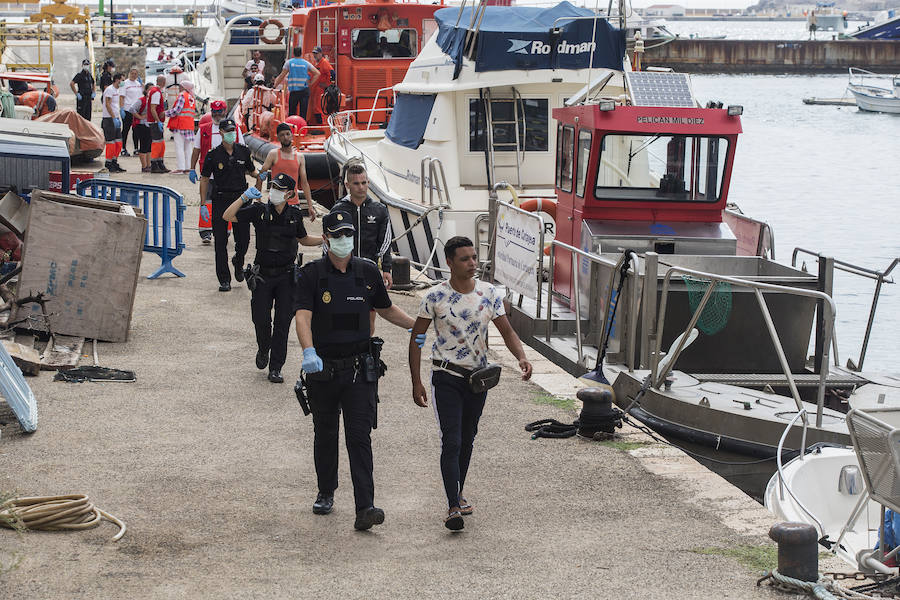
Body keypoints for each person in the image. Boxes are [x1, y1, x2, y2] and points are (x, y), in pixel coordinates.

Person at [294, 210, 423, 530]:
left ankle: (365, 506)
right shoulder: (311, 274)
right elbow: (303, 317)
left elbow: (386, 308)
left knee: (359, 437)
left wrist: (419, 327)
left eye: (347, 234)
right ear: (325, 239)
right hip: (322, 369)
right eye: (336, 235)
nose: (343, 240)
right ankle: (326, 491)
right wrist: (308, 351)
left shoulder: (367, 272)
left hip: (358, 370)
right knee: (325, 433)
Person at [409, 235, 532, 531]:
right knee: (451, 440)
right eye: (465, 259)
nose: (472, 263)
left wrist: (521, 357)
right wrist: (416, 381)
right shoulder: (434, 297)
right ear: (449, 263)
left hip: (477, 380)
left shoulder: (489, 293)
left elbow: (506, 330)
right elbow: (418, 338)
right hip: (446, 377)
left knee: (467, 438)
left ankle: (459, 492)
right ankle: (452, 505)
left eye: (474, 257)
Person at [223, 173, 323, 383]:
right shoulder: (260, 210)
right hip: (263, 277)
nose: (274, 191)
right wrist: (244, 197)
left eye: (279, 188)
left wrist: (324, 241)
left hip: (287, 277)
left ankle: (276, 367)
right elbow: (228, 216)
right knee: (261, 319)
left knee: (282, 323)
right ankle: (263, 348)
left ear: (289, 194)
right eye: (273, 187)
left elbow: (303, 239)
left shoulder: (295, 215)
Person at [199, 118, 260, 291]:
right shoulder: (213, 155)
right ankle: (224, 279)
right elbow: (204, 179)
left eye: (233, 130)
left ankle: (238, 261)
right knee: (220, 241)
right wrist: (203, 204)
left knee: (244, 240)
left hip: (241, 199)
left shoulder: (243, 151)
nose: (231, 134)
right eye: (228, 131)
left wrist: (259, 175)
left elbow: (251, 169)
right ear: (221, 133)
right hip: (221, 199)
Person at [190, 100, 246, 245]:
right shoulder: (203, 129)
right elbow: (196, 150)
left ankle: (225, 229)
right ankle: (205, 231)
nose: (216, 115)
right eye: (214, 112)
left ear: (225, 111)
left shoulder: (235, 129)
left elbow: (243, 151)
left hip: (229, 175)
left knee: (227, 203)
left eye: (219, 112)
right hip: (209, 174)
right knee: (206, 201)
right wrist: (192, 168)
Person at [329, 163, 392, 289]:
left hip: (369, 268)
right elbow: (329, 241)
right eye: (356, 184)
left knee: (370, 307)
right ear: (347, 185)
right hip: (343, 269)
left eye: (364, 183)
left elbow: (385, 242)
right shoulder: (338, 209)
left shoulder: (380, 210)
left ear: (368, 182)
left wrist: (386, 269)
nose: (361, 187)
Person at [257, 122, 317, 219]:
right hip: (275, 202)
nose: (285, 137)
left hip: (293, 203)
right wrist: (258, 200)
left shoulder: (300, 157)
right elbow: (261, 176)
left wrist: (310, 206)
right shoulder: (273, 154)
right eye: (282, 135)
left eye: (287, 134)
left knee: (294, 233)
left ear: (292, 136)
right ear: (278, 138)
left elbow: (305, 183)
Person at [274, 47, 320, 120]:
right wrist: (310, 83)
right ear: (301, 53)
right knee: (303, 112)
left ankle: (292, 128)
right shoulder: (306, 63)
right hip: (305, 90)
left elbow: (281, 76)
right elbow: (317, 73)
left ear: (293, 53)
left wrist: (274, 86)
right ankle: (302, 128)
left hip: (294, 91)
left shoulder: (289, 63)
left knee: (292, 112)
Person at [165, 80, 197, 174]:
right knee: (188, 148)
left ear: (184, 87)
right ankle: (188, 168)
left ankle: (180, 168)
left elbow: (176, 110)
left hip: (180, 125)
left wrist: (165, 113)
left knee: (179, 147)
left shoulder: (182, 95)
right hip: (189, 125)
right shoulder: (192, 97)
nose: (179, 88)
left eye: (180, 86)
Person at [101, 72, 126, 173]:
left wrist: (119, 113)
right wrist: (113, 117)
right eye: (122, 80)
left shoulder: (117, 90)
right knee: (111, 143)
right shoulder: (110, 90)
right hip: (109, 119)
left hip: (115, 118)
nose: (123, 82)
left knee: (118, 142)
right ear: (117, 80)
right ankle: (109, 163)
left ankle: (115, 161)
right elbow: (107, 104)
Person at [146, 74, 170, 173]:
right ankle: (155, 164)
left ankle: (160, 163)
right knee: (157, 143)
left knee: (160, 143)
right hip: (155, 122)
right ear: (163, 82)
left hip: (155, 121)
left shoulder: (155, 91)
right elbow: (153, 109)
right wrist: (158, 121)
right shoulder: (156, 92)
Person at [119, 67, 143, 156]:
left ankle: (136, 148)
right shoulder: (123, 83)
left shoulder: (138, 84)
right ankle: (123, 148)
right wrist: (121, 108)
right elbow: (121, 96)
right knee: (125, 130)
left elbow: (141, 95)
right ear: (129, 73)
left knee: (136, 130)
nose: (134, 75)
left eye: (135, 74)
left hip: (136, 110)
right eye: (132, 73)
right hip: (127, 109)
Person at [309, 46, 334, 125]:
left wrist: (328, 85)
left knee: (320, 109)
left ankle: (322, 127)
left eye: (316, 54)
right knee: (317, 109)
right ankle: (320, 126)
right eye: (314, 54)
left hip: (321, 90)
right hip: (317, 90)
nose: (315, 55)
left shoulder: (324, 63)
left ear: (321, 54)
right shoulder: (318, 63)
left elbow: (332, 74)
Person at [132, 83, 153, 172]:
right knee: (144, 146)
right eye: (150, 89)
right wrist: (140, 117)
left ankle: (149, 165)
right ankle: (144, 166)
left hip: (150, 125)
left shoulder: (153, 100)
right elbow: (132, 109)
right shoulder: (141, 100)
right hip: (141, 125)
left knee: (149, 147)